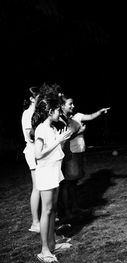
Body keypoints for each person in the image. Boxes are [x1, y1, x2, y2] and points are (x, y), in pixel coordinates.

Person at [32, 94, 73, 262]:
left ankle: (53, 243)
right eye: (57, 110)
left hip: (55, 171)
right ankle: (44, 251)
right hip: (46, 173)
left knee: (53, 210)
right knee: (47, 211)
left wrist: (62, 140)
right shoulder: (41, 129)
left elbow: (55, 150)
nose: (59, 112)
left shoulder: (52, 128)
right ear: (49, 111)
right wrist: (58, 141)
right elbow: (38, 154)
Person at [57, 94, 110, 222]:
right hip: (70, 154)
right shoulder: (61, 120)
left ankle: (75, 207)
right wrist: (79, 133)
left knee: (74, 183)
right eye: (70, 104)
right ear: (62, 106)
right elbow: (62, 138)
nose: (73, 106)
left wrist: (100, 111)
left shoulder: (77, 116)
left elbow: (91, 116)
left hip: (79, 152)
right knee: (67, 183)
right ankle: (67, 211)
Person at [21, 86, 40, 233]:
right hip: (33, 151)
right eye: (39, 96)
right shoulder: (28, 114)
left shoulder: (37, 112)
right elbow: (30, 137)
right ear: (32, 98)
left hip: (40, 150)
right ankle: (35, 223)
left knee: (43, 186)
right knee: (37, 187)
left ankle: (47, 219)